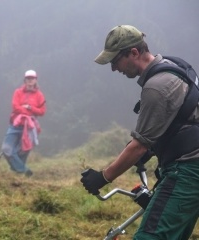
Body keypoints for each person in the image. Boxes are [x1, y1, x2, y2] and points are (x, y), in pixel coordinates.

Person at [80, 25, 199, 239]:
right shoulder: (173, 66)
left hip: (187, 171)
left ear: (134, 52)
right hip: (190, 166)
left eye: (115, 61)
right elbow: (181, 118)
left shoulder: (156, 86)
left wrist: (103, 177)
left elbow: (138, 146)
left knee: (150, 235)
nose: (114, 69)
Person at [1, 70, 46, 177]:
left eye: (32, 79)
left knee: (23, 150)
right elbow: (15, 107)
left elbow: (42, 111)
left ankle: (17, 174)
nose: (30, 81)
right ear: (24, 80)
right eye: (28, 79)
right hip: (15, 124)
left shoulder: (39, 95)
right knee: (6, 149)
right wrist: (29, 112)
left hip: (30, 127)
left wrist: (29, 107)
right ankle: (24, 170)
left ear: (35, 80)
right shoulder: (18, 92)